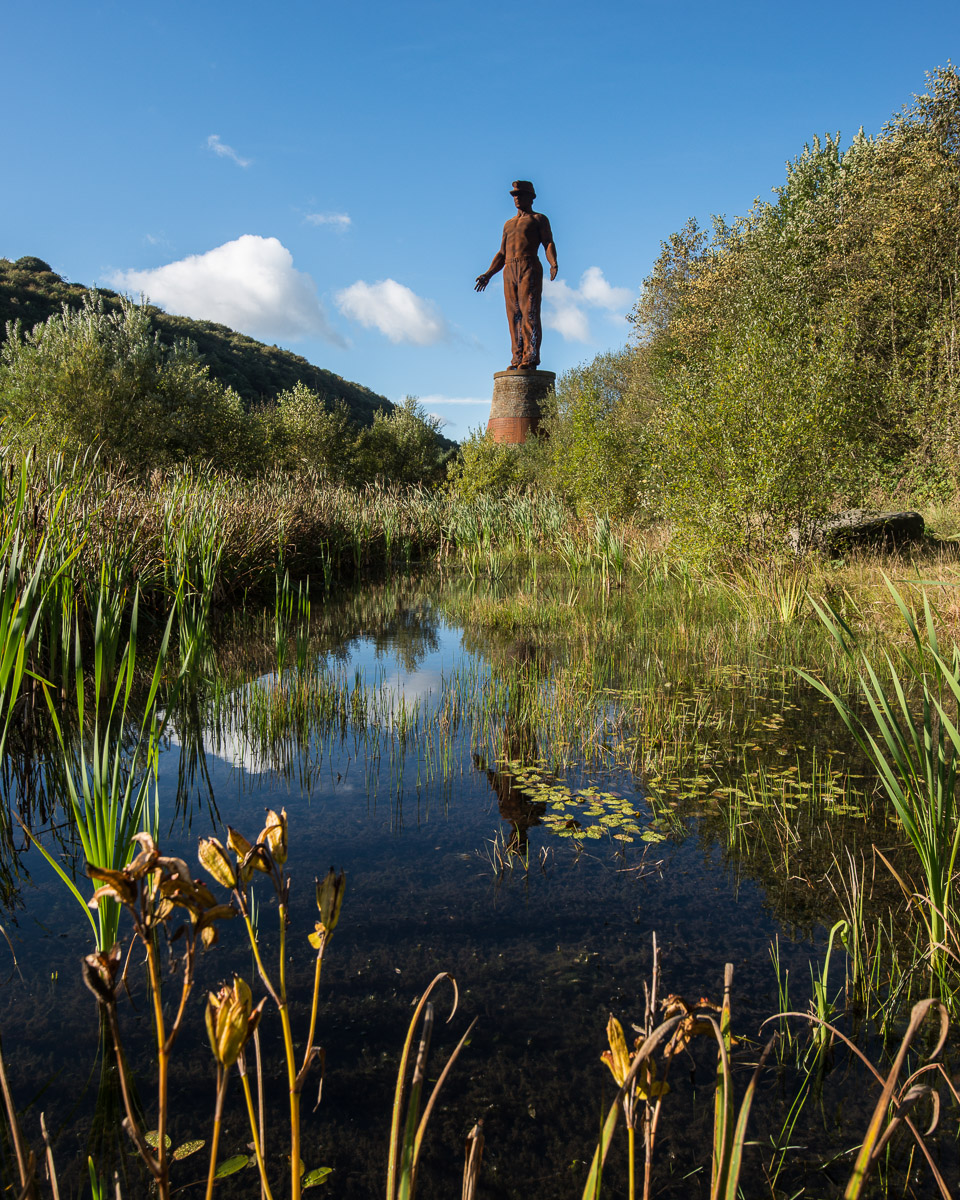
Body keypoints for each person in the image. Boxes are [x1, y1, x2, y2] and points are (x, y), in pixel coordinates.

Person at [475, 180, 558, 370]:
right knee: (513, 315)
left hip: (529, 264)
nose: (517, 198)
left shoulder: (539, 219)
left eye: (520, 194)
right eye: (514, 195)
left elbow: (548, 243)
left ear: (531, 197)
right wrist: (488, 274)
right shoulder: (508, 224)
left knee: (529, 311)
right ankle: (517, 357)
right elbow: (502, 253)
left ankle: (530, 357)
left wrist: (553, 263)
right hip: (509, 268)